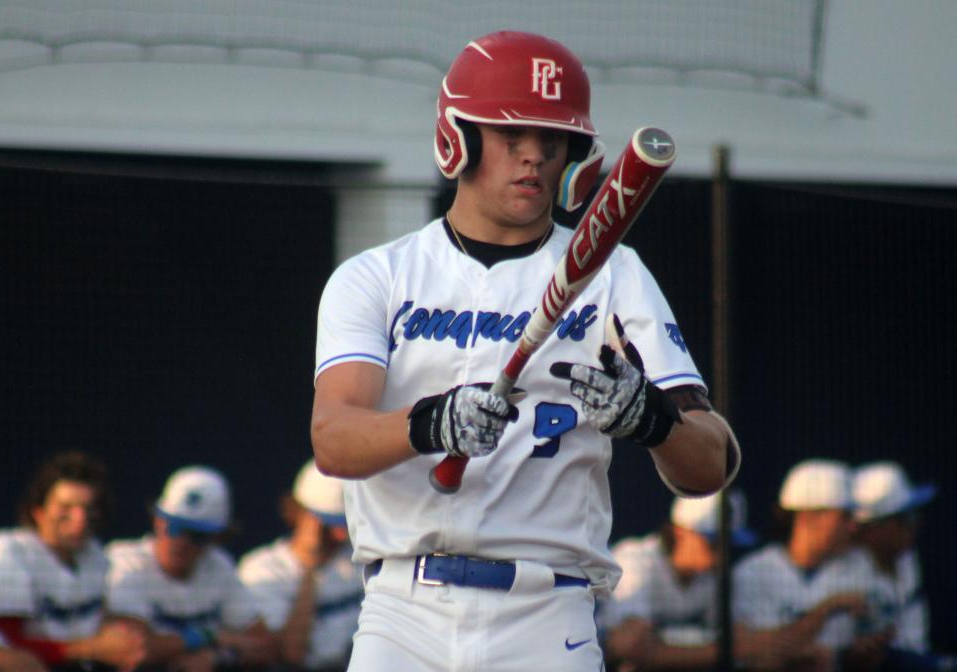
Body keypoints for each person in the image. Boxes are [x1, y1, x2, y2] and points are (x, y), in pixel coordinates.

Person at [309, 30, 740, 671]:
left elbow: (714, 462)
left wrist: (651, 420)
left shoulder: (615, 274)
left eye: (551, 138)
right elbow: (334, 440)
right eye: (511, 136)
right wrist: (430, 423)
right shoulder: (378, 276)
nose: (534, 156)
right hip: (403, 608)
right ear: (460, 138)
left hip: (547, 612)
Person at [105, 465, 275, 671]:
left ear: (217, 538)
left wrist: (219, 657)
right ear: (157, 521)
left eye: (197, 535)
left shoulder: (218, 566)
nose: (181, 542)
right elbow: (134, 649)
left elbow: (265, 645)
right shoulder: (125, 563)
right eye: (175, 527)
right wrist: (209, 636)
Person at [733, 459, 892, 671]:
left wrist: (861, 653)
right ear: (809, 517)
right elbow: (766, 653)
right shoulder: (752, 572)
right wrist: (828, 608)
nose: (854, 527)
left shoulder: (860, 565)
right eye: (844, 516)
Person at [0, 450, 145, 671]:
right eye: (65, 508)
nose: (79, 520)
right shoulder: (10, 553)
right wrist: (90, 648)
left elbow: (113, 629)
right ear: (38, 511)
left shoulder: (97, 557)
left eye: (88, 509)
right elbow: (9, 651)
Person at [602, 490, 782, 671]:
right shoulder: (635, 558)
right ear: (680, 533)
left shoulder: (712, 576)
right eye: (713, 543)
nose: (721, 554)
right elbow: (630, 647)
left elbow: (741, 637)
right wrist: (726, 651)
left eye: (728, 544)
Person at [238, 460, 363, 671]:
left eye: (346, 524)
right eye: (331, 524)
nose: (342, 534)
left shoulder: (359, 555)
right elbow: (291, 654)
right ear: (301, 514)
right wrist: (311, 567)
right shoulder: (261, 568)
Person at [851, 461, 956, 671]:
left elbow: (916, 642)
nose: (914, 524)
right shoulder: (842, 572)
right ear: (873, 528)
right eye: (903, 518)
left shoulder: (906, 559)